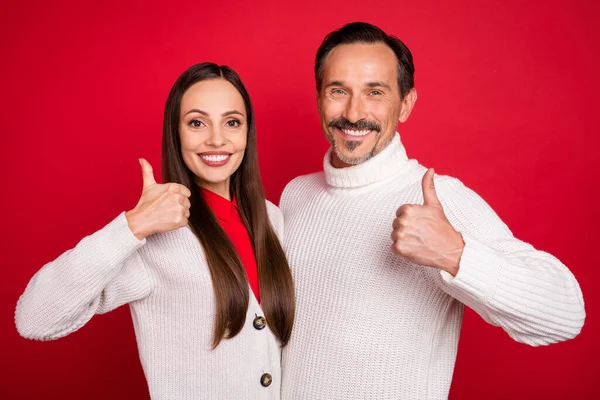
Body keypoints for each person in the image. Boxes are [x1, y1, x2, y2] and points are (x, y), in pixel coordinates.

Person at [279, 22, 585, 399]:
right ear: (320, 98)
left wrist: (455, 254)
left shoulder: (436, 198)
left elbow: (566, 315)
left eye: (375, 92)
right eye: (339, 91)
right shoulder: (296, 194)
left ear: (405, 104)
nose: (354, 113)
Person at [15, 62, 295, 400]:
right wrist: (133, 225)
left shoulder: (272, 218)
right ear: (175, 134)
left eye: (232, 122)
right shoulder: (159, 236)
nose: (217, 139)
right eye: (197, 123)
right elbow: (34, 319)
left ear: (247, 133)